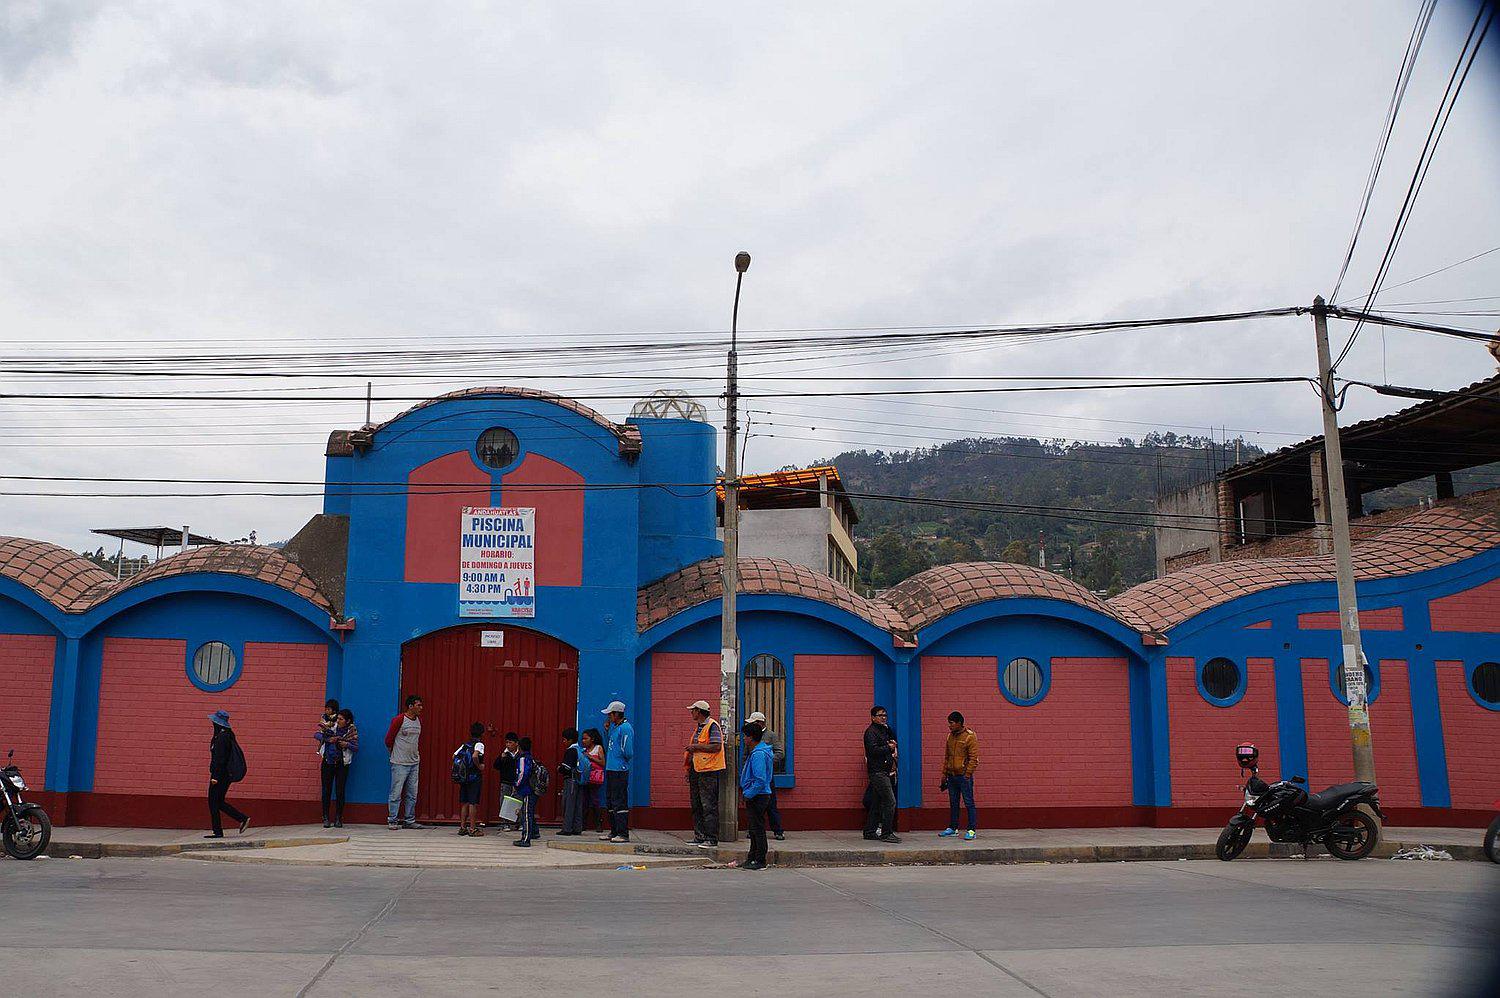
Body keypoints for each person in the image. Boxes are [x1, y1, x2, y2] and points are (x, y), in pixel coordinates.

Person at [684, 700, 726, 848]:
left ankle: (711, 838)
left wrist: (696, 747)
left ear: (699, 711)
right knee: (697, 805)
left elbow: (716, 746)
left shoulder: (712, 726)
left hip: (708, 771)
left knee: (708, 806)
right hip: (697, 769)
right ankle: (699, 836)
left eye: (693, 710)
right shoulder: (700, 727)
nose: (691, 713)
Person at [206, 709, 250, 838]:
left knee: (213, 801)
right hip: (224, 774)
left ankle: (219, 831)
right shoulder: (227, 734)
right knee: (218, 801)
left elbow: (220, 759)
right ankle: (241, 819)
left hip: (220, 775)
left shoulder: (222, 737)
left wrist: (215, 776)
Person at [385, 694, 426, 830]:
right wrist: (394, 754)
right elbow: (388, 740)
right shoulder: (399, 720)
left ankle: (409, 820)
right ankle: (392, 820)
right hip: (399, 762)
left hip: (414, 762)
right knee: (396, 793)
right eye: (418, 705)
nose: (421, 708)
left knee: (412, 794)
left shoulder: (418, 721)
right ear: (410, 706)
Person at [739, 722, 775, 871]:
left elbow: (760, 779)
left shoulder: (758, 754)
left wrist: (748, 793)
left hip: (758, 795)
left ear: (751, 737)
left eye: (745, 736)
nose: (744, 739)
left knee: (757, 829)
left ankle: (760, 859)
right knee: (754, 829)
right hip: (759, 794)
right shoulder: (760, 751)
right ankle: (752, 857)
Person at [862, 705, 900, 843]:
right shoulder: (871, 732)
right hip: (878, 772)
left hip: (885, 771)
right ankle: (886, 833)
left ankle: (870, 831)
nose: (883, 718)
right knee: (890, 801)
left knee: (877, 802)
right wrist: (888, 747)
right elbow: (873, 751)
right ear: (873, 717)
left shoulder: (885, 730)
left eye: (885, 715)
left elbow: (891, 742)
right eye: (880, 715)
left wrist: (892, 743)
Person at [940, 711, 980, 840]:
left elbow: (974, 758)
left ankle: (971, 830)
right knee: (954, 802)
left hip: (963, 776)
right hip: (951, 775)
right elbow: (947, 756)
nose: (949, 726)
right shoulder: (950, 737)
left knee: (969, 802)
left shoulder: (970, 736)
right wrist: (944, 773)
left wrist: (967, 774)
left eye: (951, 723)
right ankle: (953, 828)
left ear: (959, 723)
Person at [315, 707, 358, 828]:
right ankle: (325, 817)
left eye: (341, 719)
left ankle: (339, 818)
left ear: (348, 721)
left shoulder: (351, 730)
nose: (338, 721)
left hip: (342, 764)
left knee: (340, 791)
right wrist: (328, 739)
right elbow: (317, 734)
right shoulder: (330, 726)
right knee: (326, 790)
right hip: (328, 762)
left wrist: (346, 744)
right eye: (338, 718)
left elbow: (356, 747)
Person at [747, 711, 786, 841]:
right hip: (754, 774)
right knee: (755, 804)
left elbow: (780, 752)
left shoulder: (771, 735)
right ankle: (753, 829)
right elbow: (746, 754)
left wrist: (767, 760)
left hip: (767, 775)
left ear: (760, 723)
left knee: (771, 803)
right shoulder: (751, 736)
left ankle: (777, 830)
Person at [601, 700, 634, 843]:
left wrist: (621, 761)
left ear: (616, 714)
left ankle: (622, 833)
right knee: (611, 800)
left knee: (619, 801)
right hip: (611, 768)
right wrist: (607, 731)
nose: (608, 717)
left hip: (619, 769)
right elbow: (611, 745)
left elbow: (628, 751)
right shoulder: (615, 728)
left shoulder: (625, 728)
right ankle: (614, 831)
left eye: (610, 714)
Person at [455, 721, 487, 836]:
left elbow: (454, 756)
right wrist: (479, 766)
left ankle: (462, 827)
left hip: (464, 777)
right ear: (482, 733)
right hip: (474, 777)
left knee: (465, 802)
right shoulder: (479, 744)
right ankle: (473, 828)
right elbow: (474, 756)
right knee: (473, 803)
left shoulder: (465, 744)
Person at [512, 736, 539, 847]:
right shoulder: (531, 758)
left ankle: (526, 839)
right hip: (532, 789)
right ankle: (534, 832)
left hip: (527, 790)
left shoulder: (523, 759)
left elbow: (523, 774)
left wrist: (516, 784)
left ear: (519, 747)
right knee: (529, 812)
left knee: (526, 813)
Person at [581, 727, 607, 834]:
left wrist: (590, 757)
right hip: (586, 778)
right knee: (585, 801)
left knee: (595, 800)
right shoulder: (584, 750)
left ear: (592, 739)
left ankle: (598, 823)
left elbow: (603, 763)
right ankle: (583, 824)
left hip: (595, 778)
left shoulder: (598, 748)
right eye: (582, 739)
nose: (583, 741)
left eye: (585, 738)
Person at [558, 728, 582, 835]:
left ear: (570, 740)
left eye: (564, 740)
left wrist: (559, 768)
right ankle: (577, 827)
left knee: (568, 804)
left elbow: (566, 768)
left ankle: (567, 828)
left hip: (570, 780)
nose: (563, 742)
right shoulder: (580, 750)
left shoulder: (570, 751)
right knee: (577, 804)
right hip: (579, 780)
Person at [494, 732, 520, 830]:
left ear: (516, 743)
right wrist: (501, 758)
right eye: (507, 742)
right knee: (505, 803)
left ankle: (518, 823)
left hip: (517, 782)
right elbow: (496, 766)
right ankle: (505, 823)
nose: (508, 745)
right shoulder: (504, 754)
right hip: (506, 782)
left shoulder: (520, 754)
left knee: (518, 802)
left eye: (510, 742)